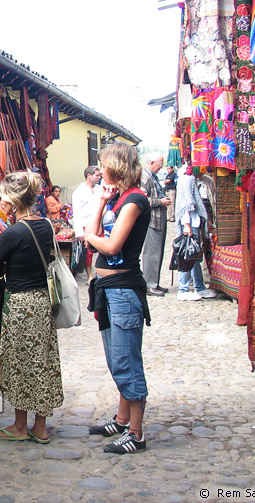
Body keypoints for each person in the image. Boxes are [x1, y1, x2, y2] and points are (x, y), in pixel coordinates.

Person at [0, 170, 63, 444]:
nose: (0, 202)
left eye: (3, 197)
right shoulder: (45, 225)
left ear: (14, 200)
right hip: (42, 302)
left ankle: (20, 425)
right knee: (41, 361)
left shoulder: (12, 233)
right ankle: (40, 426)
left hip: (20, 304)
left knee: (19, 363)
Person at [84, 143, 151, 454]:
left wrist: (93, 238)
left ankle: (136, 434)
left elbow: (109, 247)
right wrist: (100, 200)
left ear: (116, 168)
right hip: (109, 290)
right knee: (116, 359)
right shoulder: (118, 199)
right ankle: (123, 419)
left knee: (126, 360)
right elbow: (93, 233)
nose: (99, 171)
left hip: (124, 291)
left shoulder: (135, 200)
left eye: (103, 166)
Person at [174, 169, 217, 301]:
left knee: (195, 256)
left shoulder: (189, 179)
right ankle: (183, 288)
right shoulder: (186, 180)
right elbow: (186, 203)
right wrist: (186, 224)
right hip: (190, 224)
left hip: (194, 223)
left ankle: (199, 287)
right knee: (187, 255)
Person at [140, 152, 171, 297]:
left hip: (157, 218)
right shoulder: (145, 177)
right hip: (152, 220)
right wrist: (160, 202)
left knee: (157, 252)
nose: (161, 167)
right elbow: (142, 199)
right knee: (152, 253)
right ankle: (149, 284)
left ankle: (154, 282)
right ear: (152, 163)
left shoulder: (152, 176)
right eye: (159, 165)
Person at [71, 166, 104, 280]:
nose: (99, 177)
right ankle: (90, 275)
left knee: (102, 248)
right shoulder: (78, 192)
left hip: (99, 223)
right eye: (97, 175)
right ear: (89, 176)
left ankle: (101, 272)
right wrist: (79, 232)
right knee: (88, 253)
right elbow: (76, 213)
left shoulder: (100, 189)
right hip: (86, 224)